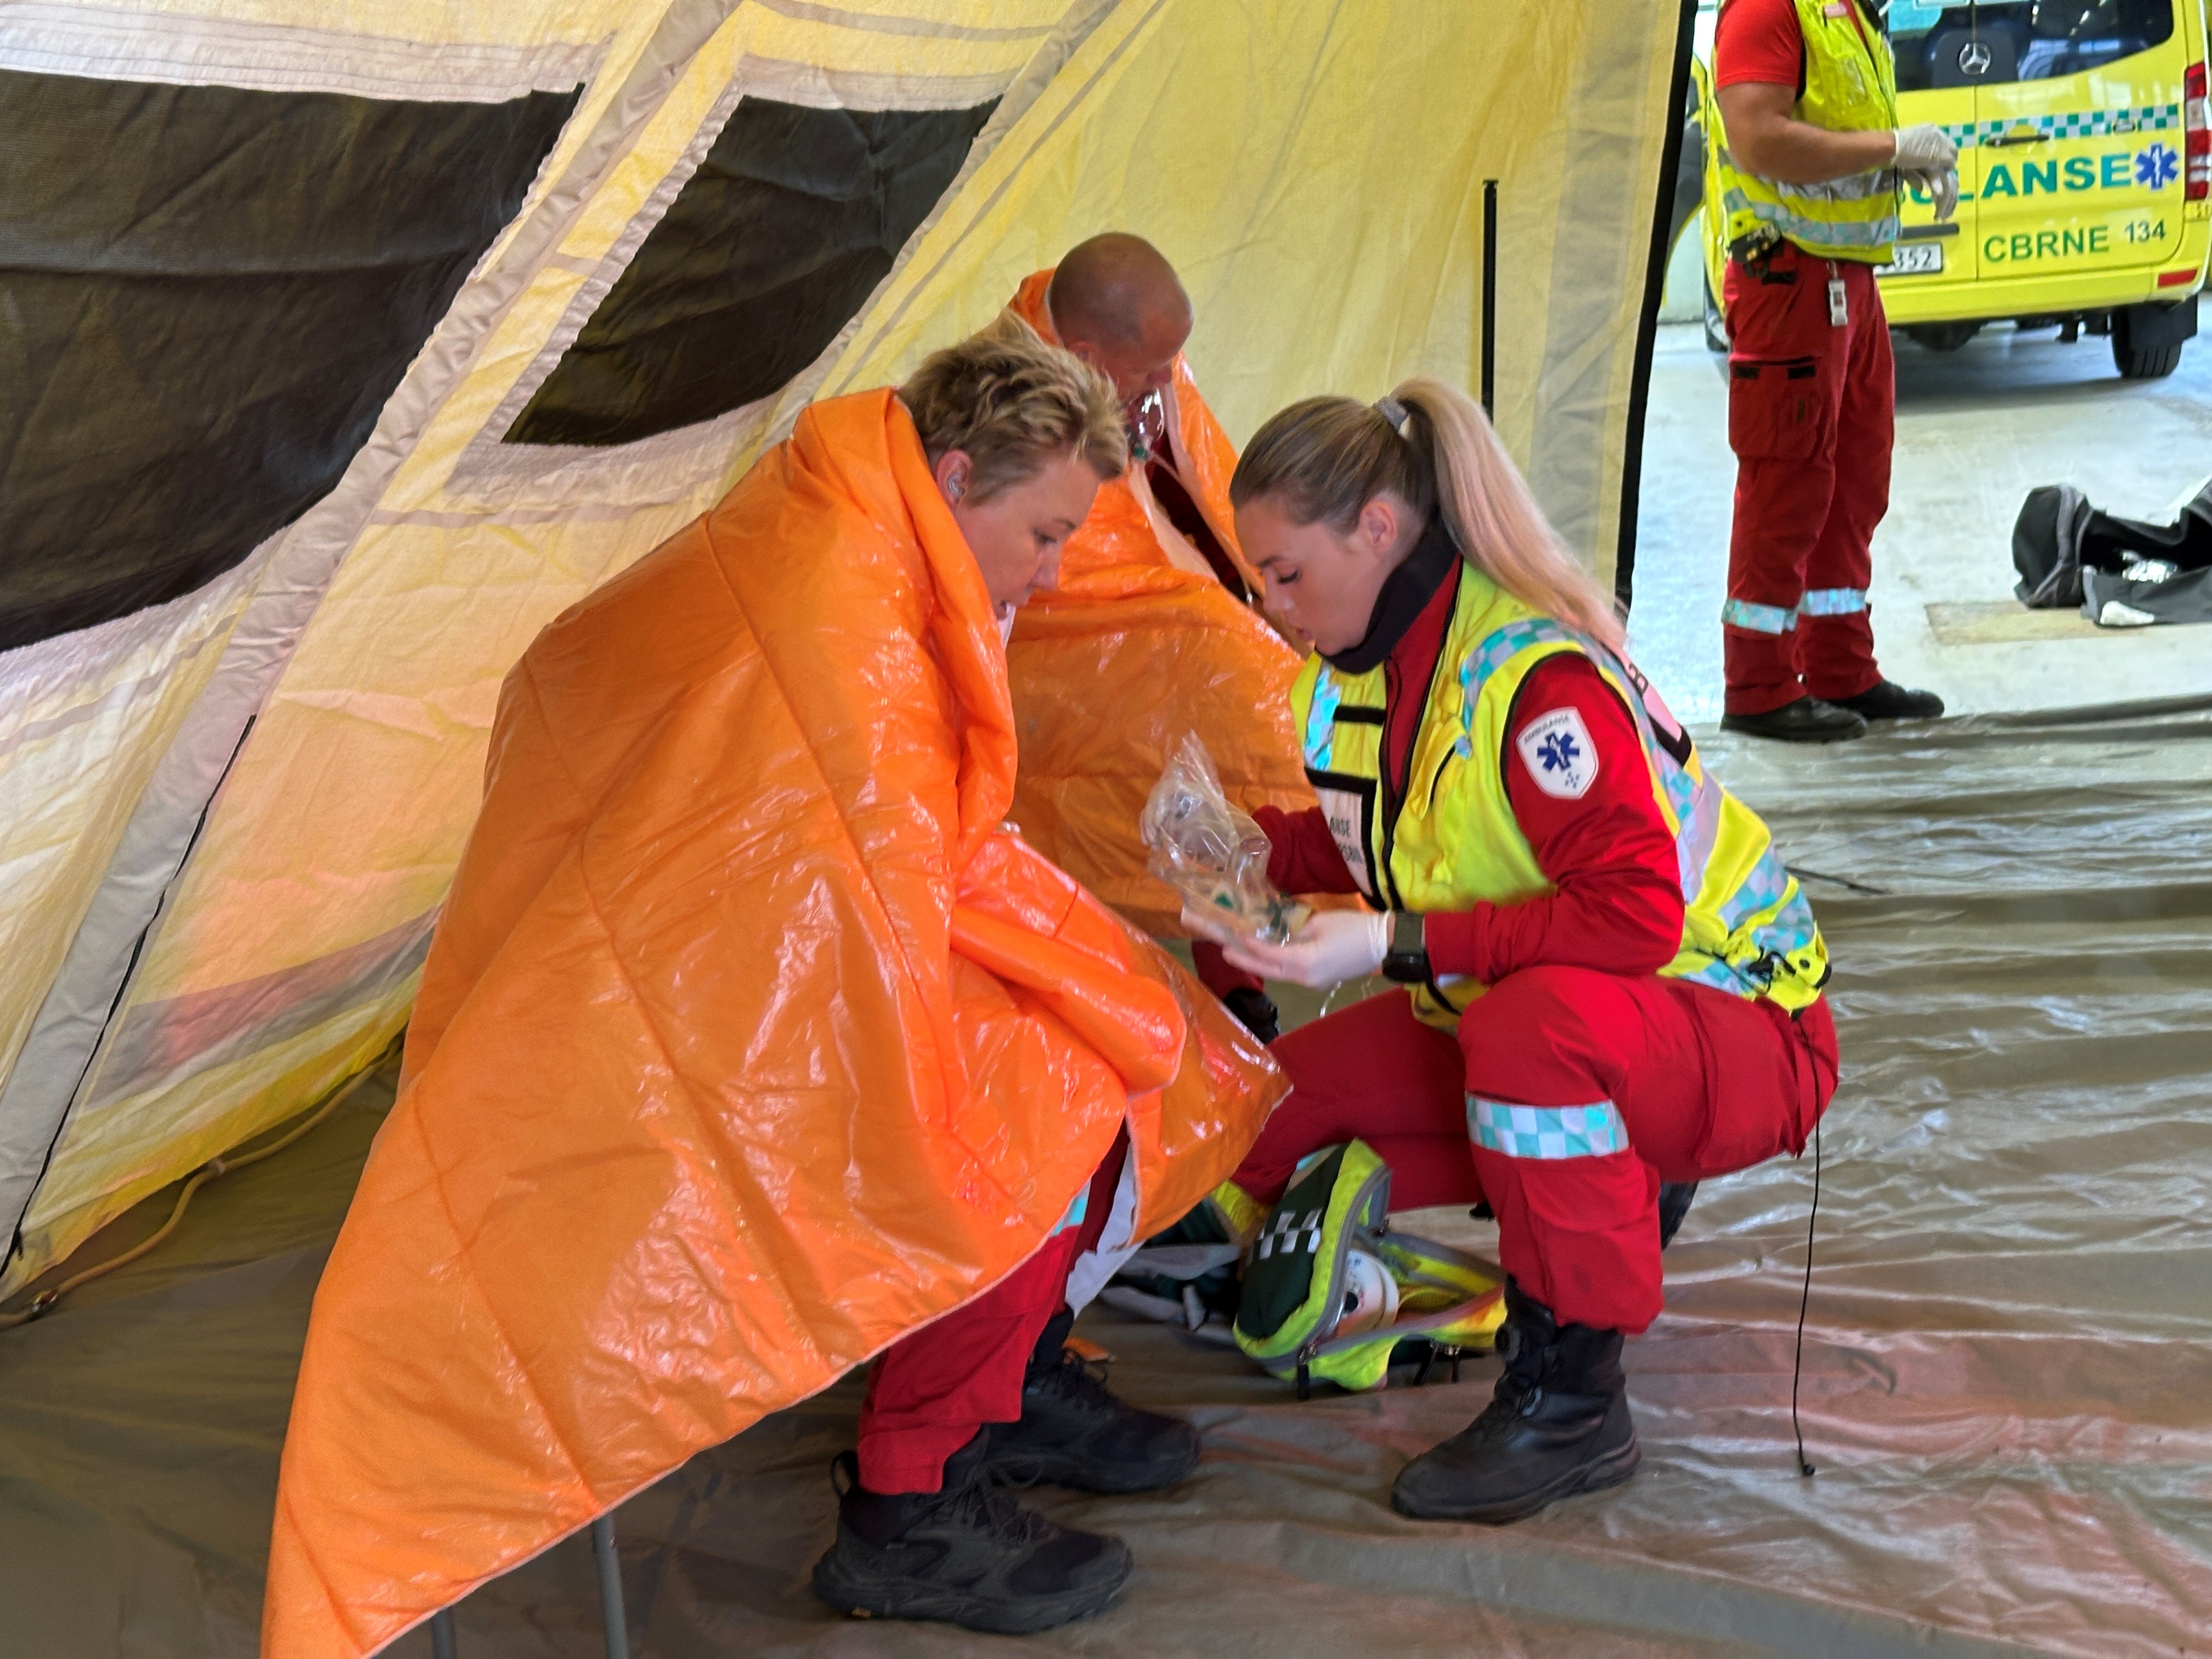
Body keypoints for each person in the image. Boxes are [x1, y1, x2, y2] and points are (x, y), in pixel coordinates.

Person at [263, 329, 1283, 1654]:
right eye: (1041, 535)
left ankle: (1004, 1387)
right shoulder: (842, 584)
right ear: (959, 477)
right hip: (693, 995)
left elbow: (898, 852)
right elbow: (851, 870)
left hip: (736, 952)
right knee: (1044, 1102)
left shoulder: (866, 520)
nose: (1047, 569)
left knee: (1110, 1037)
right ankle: (910, 1504)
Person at [1184, 377, 1839, 1526]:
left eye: (1287, 572)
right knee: (1248, 1115)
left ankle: (1573, 1399)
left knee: (1525, 1040)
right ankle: (1598, 1191)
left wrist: (1393, 942)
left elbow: (1634, 917)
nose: (1272, 603)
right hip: (1573, 1013)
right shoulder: (1362, 675)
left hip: (1738, 1022)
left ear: (1378, 531)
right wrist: (1247, 859)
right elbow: (1399, 835)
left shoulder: (1534, 682)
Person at [1000, 233, 1316, 1041]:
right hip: (1075, 682)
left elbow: (1206, 481)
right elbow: (1057, 584)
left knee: (1230, 774)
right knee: (1242, 750)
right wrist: (1211, 627)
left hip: (1181, 636)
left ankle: (1244, 970)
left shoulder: (1134, 360)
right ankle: (1252, 957)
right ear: (1085, 355)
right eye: (1150, 371)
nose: (1168, 380)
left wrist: (1263, 592)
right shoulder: (1013, 418)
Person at [1710, 0, 1957, 741]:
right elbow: (1759, 138)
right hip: (1787, 276)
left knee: (1853, 479)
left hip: (1848, 278)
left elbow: (1830, 137)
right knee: (1787, 480)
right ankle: (1757, 686)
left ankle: (1841, 668)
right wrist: (1892, 148)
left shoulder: (1843, 13)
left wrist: (1894, 162)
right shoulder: (1766, 9)